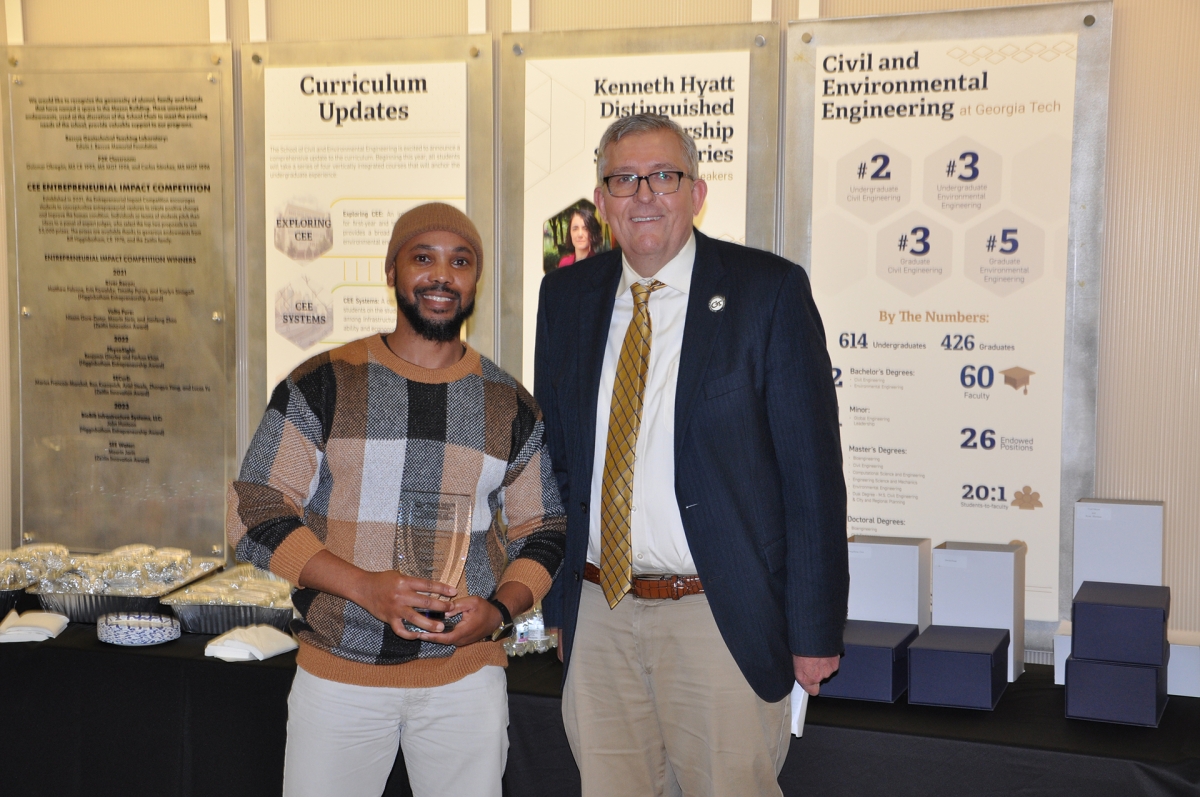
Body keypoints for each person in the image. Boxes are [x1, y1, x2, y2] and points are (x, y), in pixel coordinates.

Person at [535, 114, 848, 796]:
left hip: (720, 614)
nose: (643, 194)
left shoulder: (767, 292)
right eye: (624, 179)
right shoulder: (566, 297)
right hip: (600, 611)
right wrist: (560, 607)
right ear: (602, 198)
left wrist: (815, 628)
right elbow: (556, 462)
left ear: (697, 193)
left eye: (664, 177)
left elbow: (812, 478)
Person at [228, 203, 567, 797]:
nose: (442, 276)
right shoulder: (325, 382)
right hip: (339, 674)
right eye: (423, 257)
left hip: (466, 681)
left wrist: (499, 612)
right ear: (392, 271)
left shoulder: (509, 403)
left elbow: (544, 529)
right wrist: (365, 587)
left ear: (474, 282)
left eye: (460, 262)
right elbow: (252, 510)